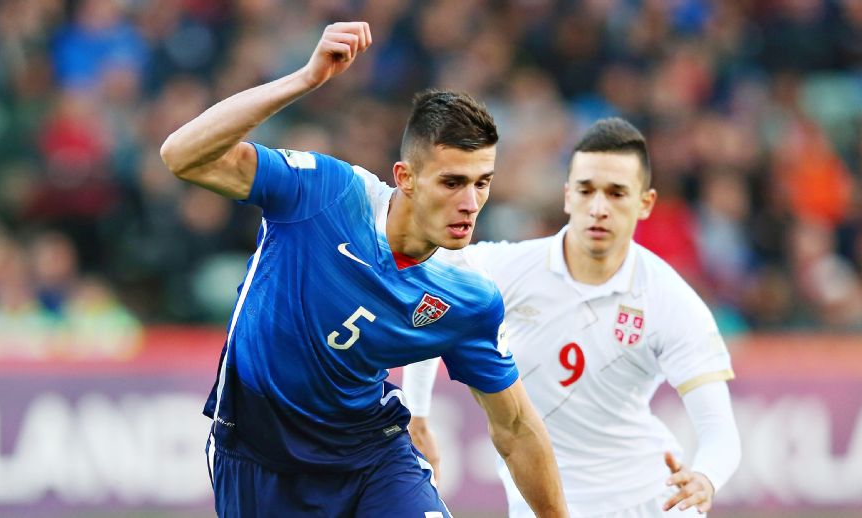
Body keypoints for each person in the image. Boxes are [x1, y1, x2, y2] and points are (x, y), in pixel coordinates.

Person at [158, 21, 567, 517]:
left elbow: (517, 427)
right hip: (257, 460)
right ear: (406, 177)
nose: (470, 202)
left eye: (482, 182)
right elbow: (182, 156)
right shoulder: (326, 194)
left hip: (373, 461)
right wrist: (303, 80)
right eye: (453, 182)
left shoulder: (467, 298)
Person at [404, 118, 741, 517]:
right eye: (587, 190)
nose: (598, 208)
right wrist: (419, 414)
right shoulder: (506, 269)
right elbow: (434, 301)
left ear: (645, 202)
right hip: (541, 500)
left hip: (650, 502)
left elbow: (720, 430)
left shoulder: (669, 299)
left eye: (616, 193)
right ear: (568, 195)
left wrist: (705, 476)